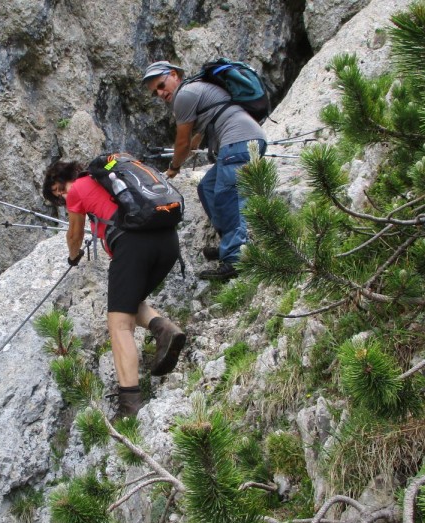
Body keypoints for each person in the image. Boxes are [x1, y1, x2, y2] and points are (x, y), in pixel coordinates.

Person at [42, 159, 186, 420]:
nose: (62, 196)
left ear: (68, 177)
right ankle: (164, 329)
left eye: (59, 189)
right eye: (58, 196)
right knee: (128, 303)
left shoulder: (79, 189)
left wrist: (73, 257)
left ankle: (130, 405)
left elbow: (74, 236)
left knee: (119, 324)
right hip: (167, 240)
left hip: (133, 245)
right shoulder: (115, 183)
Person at [142, 60, 268, 281]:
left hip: (239, 142)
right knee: (207, 187)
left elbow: (182, 144)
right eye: (155, 92)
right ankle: (230, 244)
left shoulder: (184, 95)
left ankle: (235, 258)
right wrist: (191, 147)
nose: (160, 94)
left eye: (161, 86)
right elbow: (194, 140)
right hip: (243, 140)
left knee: (227, 197)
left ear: (174, 75)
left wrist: (173, 169)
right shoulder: (196, 90)